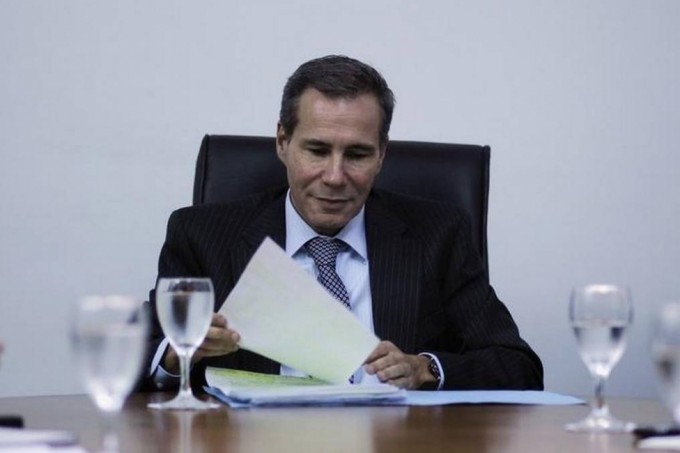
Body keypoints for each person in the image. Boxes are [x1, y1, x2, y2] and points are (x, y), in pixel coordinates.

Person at [141, 55, 543, 392]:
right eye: (317, 151)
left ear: (382, 155)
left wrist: (426, 369)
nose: (335, 177)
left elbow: (519, 368)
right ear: (282, 142)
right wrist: (179, 354)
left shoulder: (438, 235)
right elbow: (141, 357)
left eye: (357, 155)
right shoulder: (202, 236)